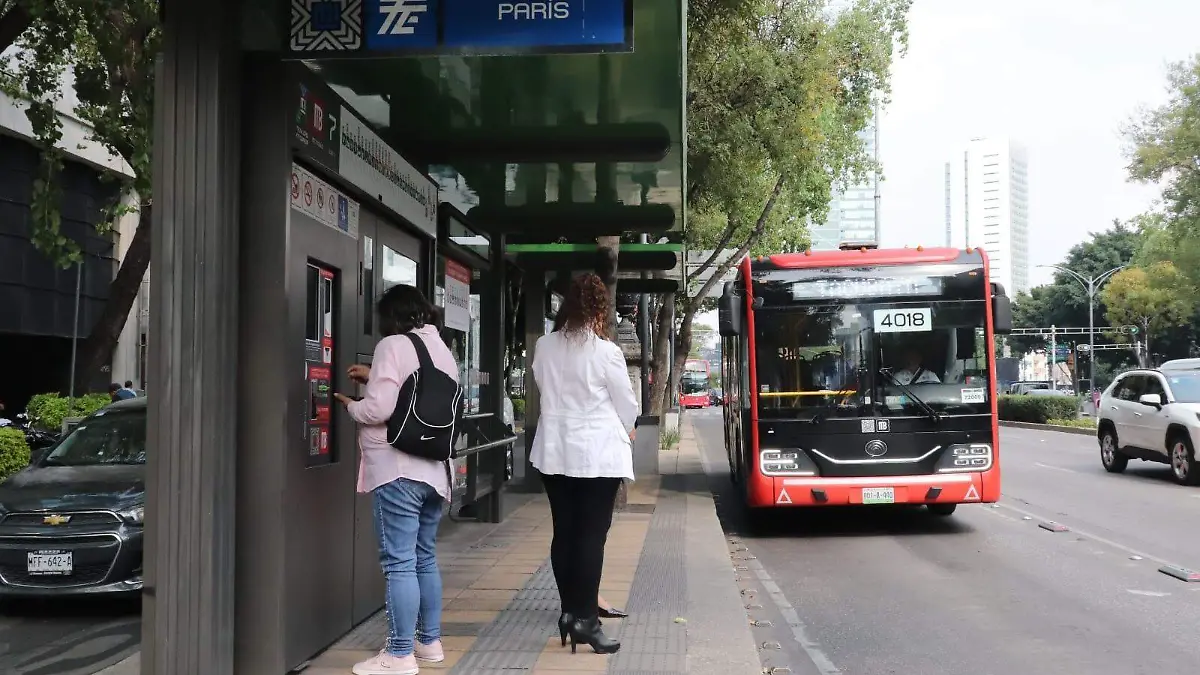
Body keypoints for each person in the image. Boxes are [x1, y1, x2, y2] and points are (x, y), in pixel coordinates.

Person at [332, 284, 457, 675]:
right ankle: (429, 642)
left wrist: (353, 407)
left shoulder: (393, 345)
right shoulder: (442, 349)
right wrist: (375, 376)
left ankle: (400, 654)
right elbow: (414, 390)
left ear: (391, 316)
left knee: (399, 562)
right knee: (423, 557)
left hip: (398, 468)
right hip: (436, 470)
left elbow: (381, 408)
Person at [531, 273, 637, 655]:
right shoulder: (605, 352)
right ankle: (587, 622)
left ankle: (569, 613)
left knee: (565, 532)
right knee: (592, 536)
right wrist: (628, 427)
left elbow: (544, 388)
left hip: (553, 451)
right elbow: (627, 404)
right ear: (599, 309)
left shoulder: (544, 346)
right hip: (595, 455)